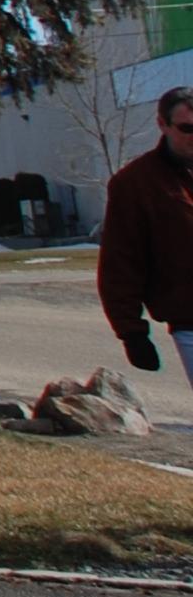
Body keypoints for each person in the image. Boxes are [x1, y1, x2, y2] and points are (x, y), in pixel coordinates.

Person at [98, 83, 193, 396]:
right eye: (186, 128)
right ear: (162, 125)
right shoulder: (135, 185)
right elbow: (120, 262)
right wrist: (131, 332)